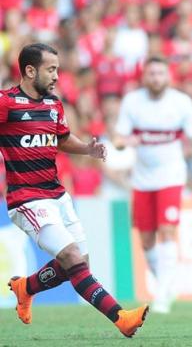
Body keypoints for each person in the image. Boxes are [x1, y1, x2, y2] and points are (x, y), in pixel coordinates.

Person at [4, 43, 148, 337]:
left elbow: (61, 138)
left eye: (57, 68)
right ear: (30, 71)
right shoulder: (6, 103)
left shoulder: (53, 104)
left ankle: (27, 287)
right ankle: (121, 318)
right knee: (71, 257)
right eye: (51, 69)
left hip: (58, 195)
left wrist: (87, 149)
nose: (57, 76)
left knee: (79, 263)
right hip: (27, 199)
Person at [115, 56, 192, 314]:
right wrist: (126, 141)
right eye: (152, 74)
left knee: (167, 229)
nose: (156, 78)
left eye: (161, 73)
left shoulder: (181, 103)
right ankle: (166, 285)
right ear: (144, 77)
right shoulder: (132, 102)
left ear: (168, 76)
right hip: (142, 179)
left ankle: (161, 296)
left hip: (171, 176)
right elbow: (117, 139)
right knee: (146, 239)